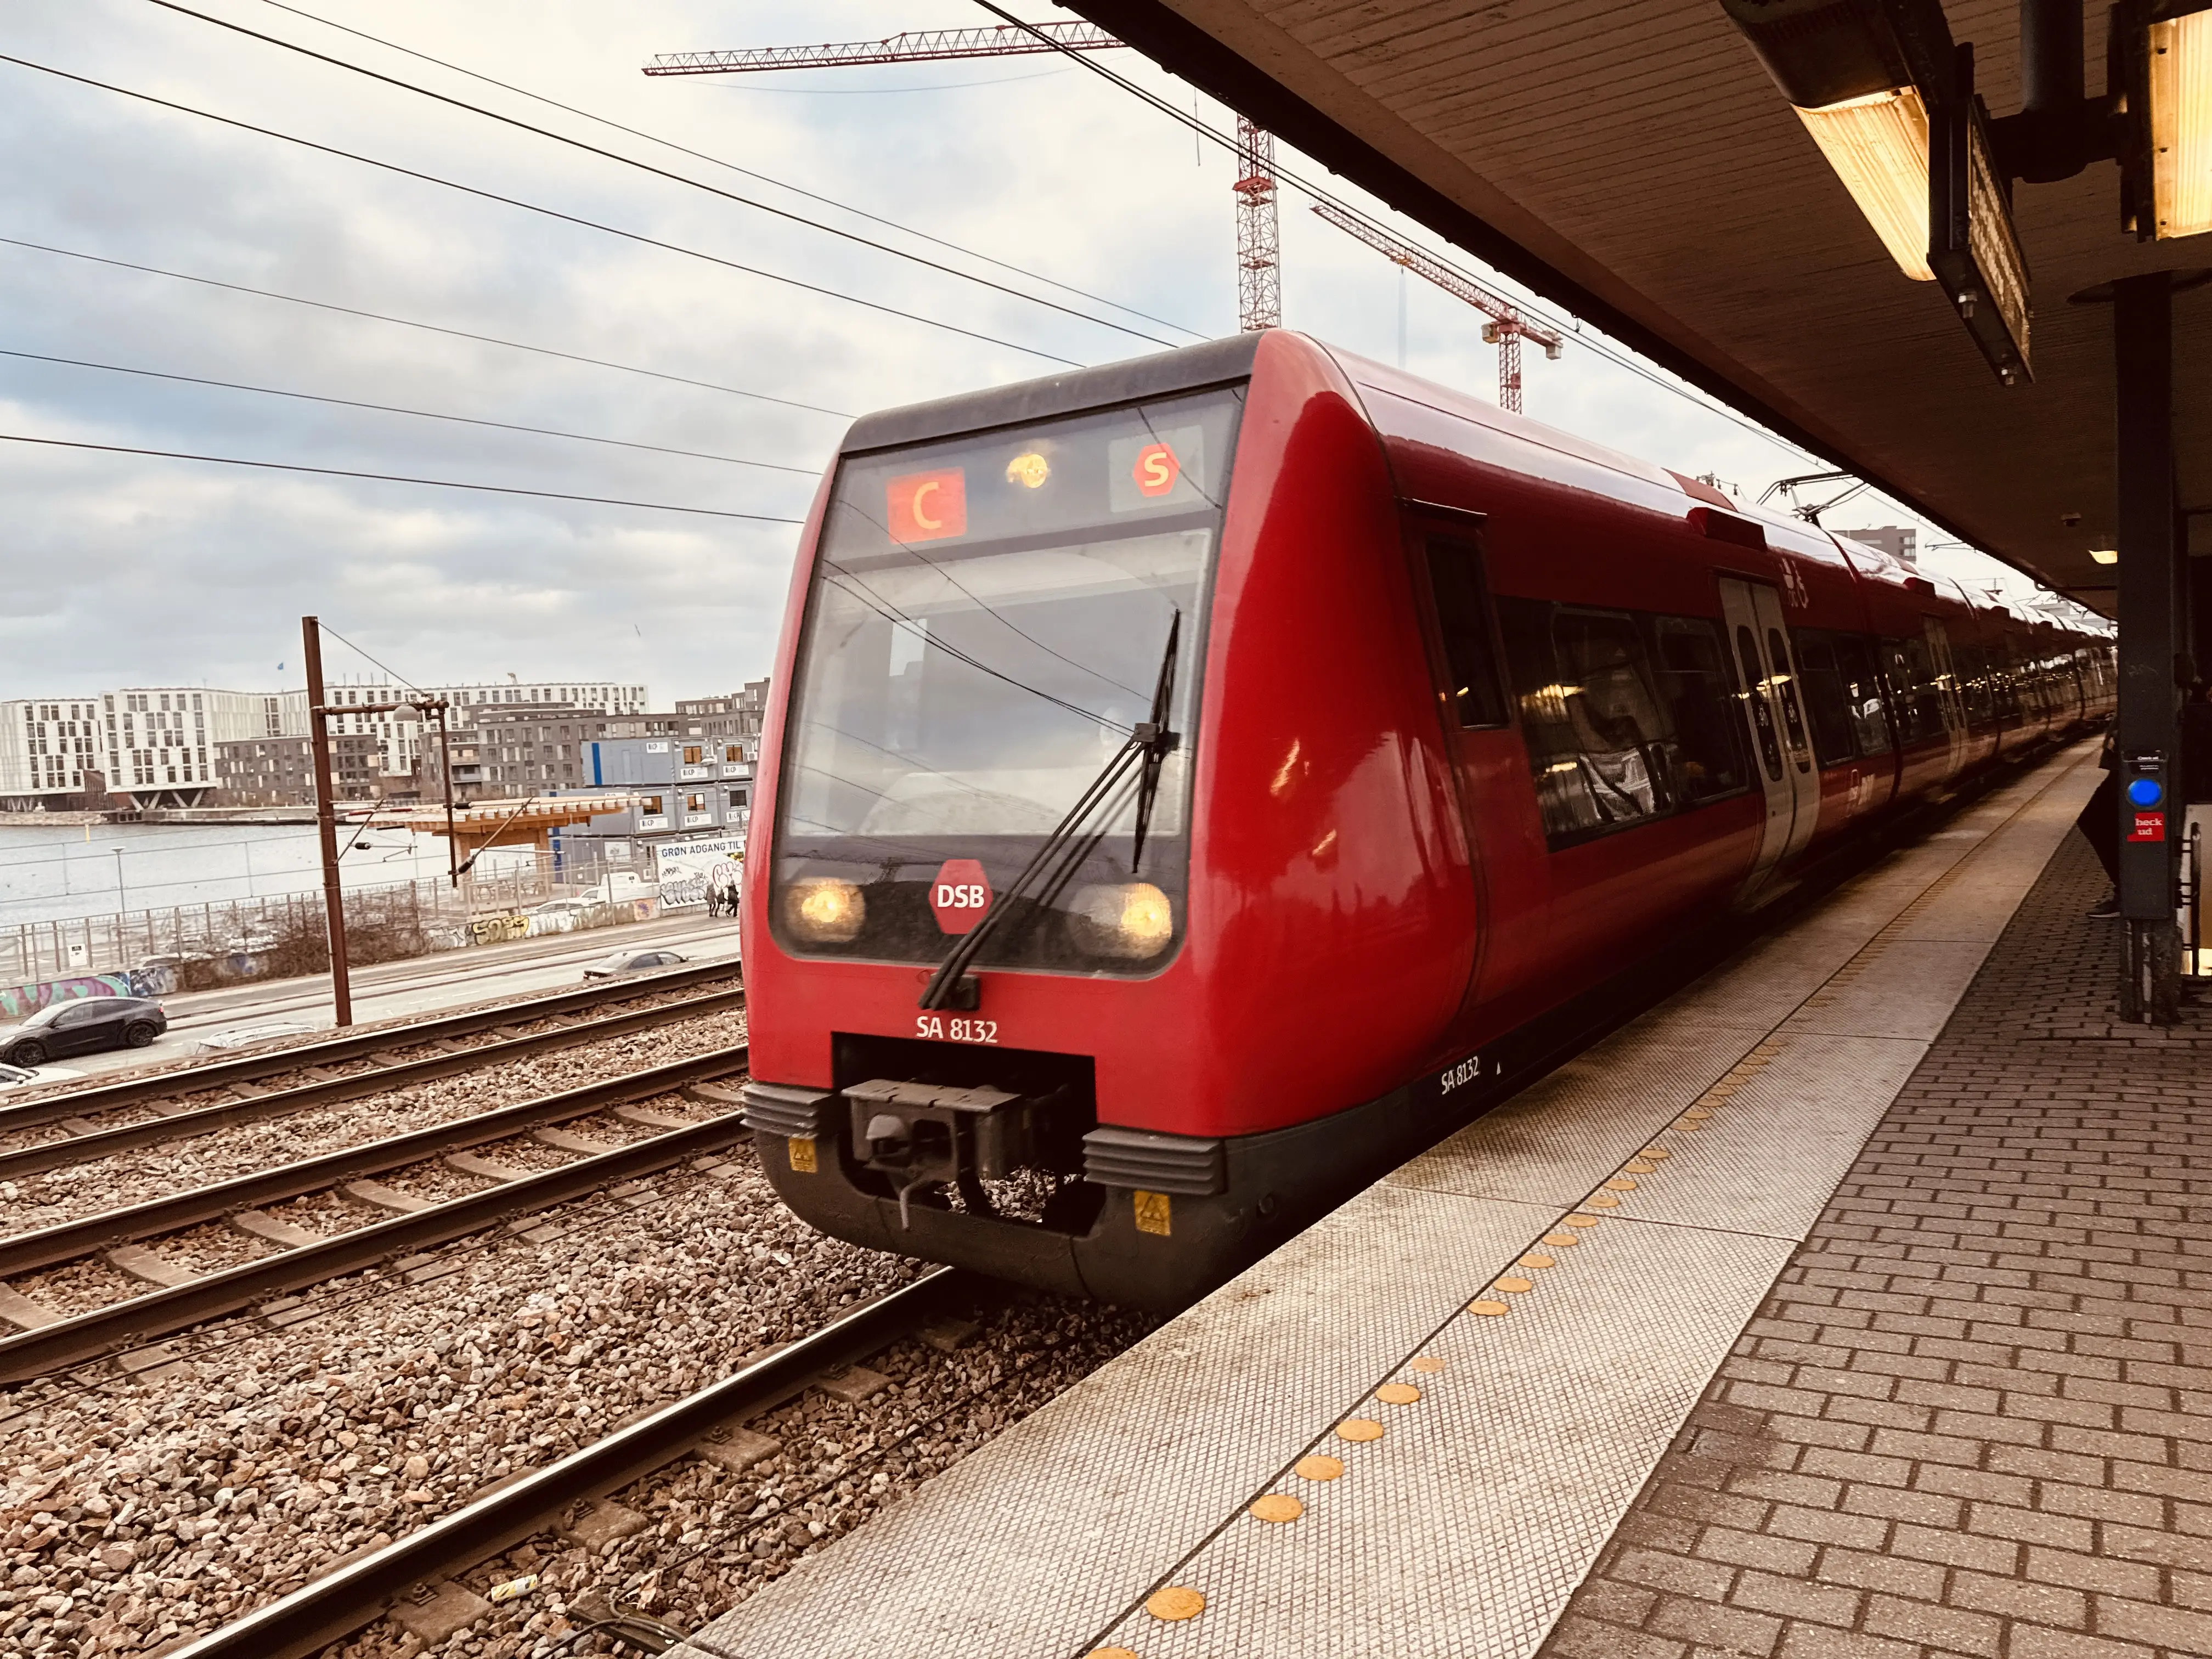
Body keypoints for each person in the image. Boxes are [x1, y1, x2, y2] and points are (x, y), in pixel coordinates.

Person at [2079, 717, 2121, 918]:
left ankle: (2128, 891)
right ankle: (2127, 889)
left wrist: (2119, 737)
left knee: (2093, 820)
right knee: (2095, 820)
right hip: (2124, 767)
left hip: (2128, 768)